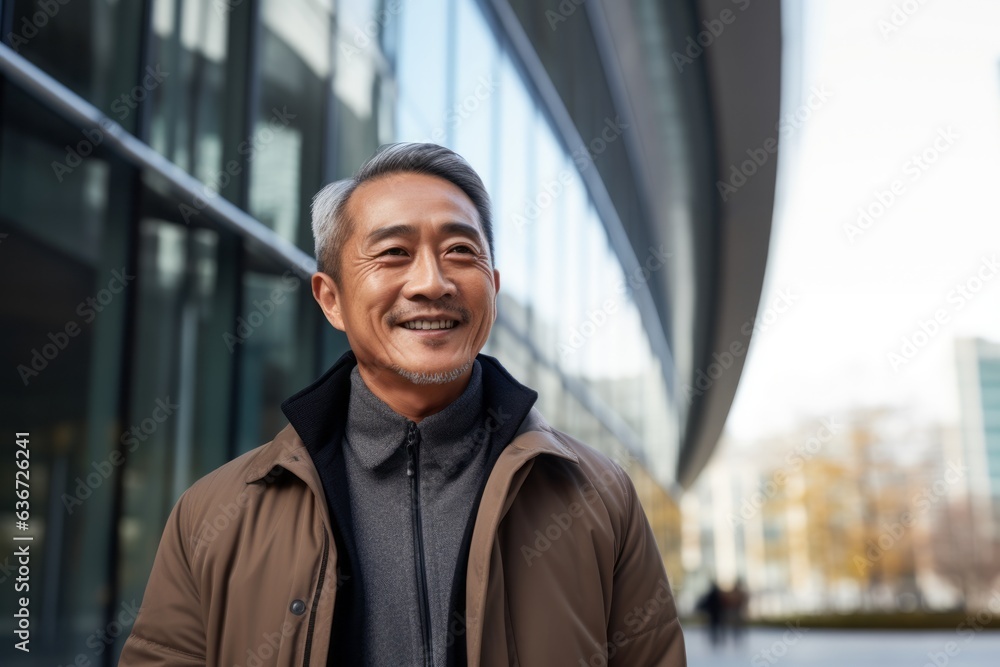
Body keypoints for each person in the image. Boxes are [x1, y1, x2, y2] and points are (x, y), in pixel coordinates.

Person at [119, 143, 686, 666]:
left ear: (491, 285)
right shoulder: (215, 513)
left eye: (459, 250)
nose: (431, 282)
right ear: (331, 298)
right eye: (393, 252)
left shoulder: (598, 497)